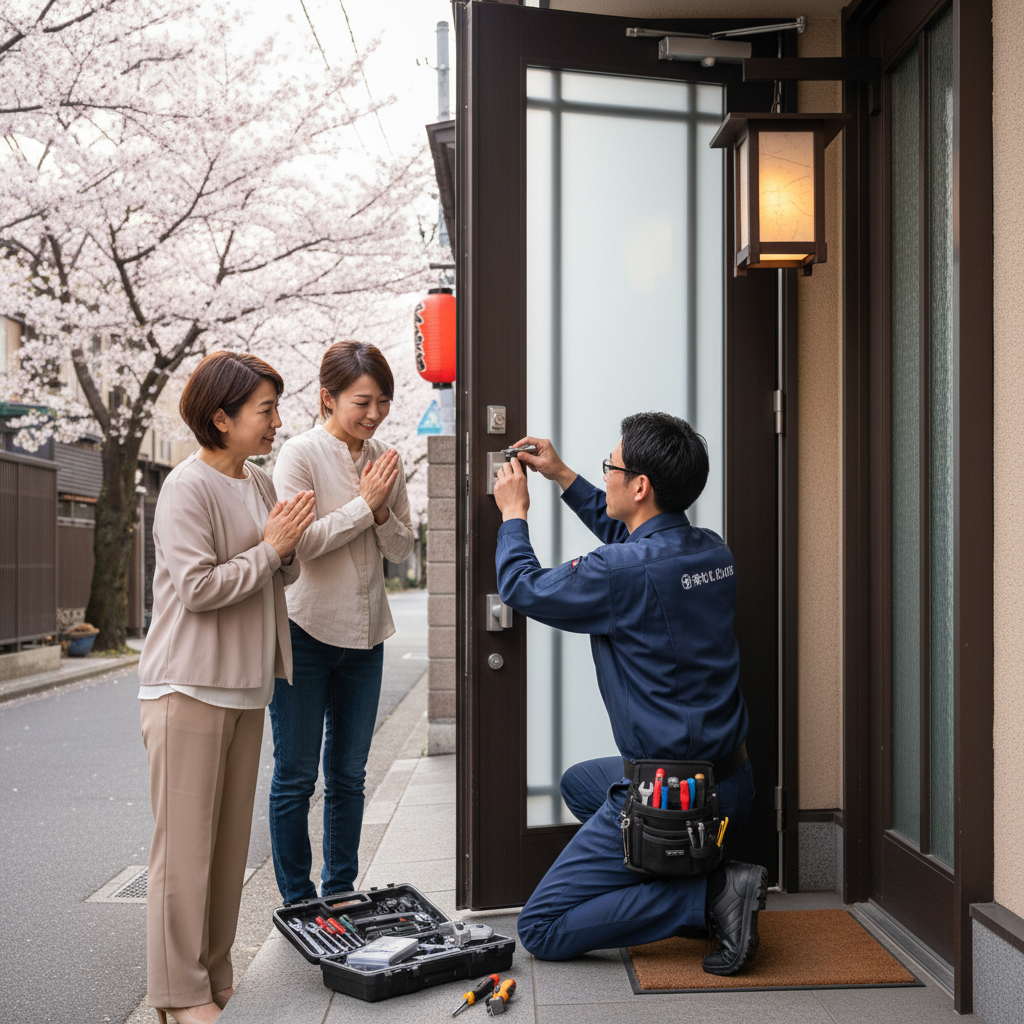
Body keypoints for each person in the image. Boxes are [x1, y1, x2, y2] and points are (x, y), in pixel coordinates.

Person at [491, 412, 766, 975]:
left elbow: (522, 587)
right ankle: (686, 867)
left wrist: (513, 515)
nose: (606, 474)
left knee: (539, 928)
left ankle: (710, 893)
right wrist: (564, 474)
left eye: (609, 467)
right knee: (578, 784)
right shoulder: (711, 551)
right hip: (731, 786)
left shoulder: (624, 572)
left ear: (640, 486)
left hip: (674, 798)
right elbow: (637, 544)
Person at [138, 352, 315, 1024]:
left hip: (244, 688)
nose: (277, 422)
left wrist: (286, 547)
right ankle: (180, 997)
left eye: (275, 408)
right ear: (221, 417)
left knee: (224, 854)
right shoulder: (187, 486)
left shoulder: (260, 483)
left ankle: (214, 978)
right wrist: (272, 550)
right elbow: (198, 589)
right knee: (182, 857)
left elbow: (280, 576)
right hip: (187, 688)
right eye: (265, 410)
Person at [269, 341, 415, 904]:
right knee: (297, 775)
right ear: (328, 398)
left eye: (383, 401)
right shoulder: (299, 455)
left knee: (350, 775)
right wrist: (364, 505)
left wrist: (380, 507)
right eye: (363, 401)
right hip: (303, 632)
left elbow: (400, 548)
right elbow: (299, 544)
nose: (375, 414)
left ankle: (341, 889)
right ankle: (297, 898)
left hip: (367, 635)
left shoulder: (386, 459)